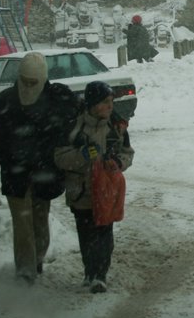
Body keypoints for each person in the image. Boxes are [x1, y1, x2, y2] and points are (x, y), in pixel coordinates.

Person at [0, 52, 78, 283]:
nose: (27, 86)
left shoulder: (54, 99)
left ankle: (37, 259)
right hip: (15, 172)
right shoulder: (6, 99)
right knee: (22, 223)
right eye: (24, 80)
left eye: (33, 82)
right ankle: (25, 270)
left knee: (40, 222)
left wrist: (67, 98)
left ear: (43, 79)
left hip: (45, 172)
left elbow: (74, 119)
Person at [54, 81, 134, 294]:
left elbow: (128, 153)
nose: (110, 106)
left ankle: (100, 274)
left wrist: (119, 163)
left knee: (105, 234)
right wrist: (81, 156)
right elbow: (59, 157)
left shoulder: (116, 127)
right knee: (86, 233)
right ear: (93, 104)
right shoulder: (74, 127)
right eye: (105, 102)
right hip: (81, 191)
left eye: (111, 102)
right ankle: (90, 271)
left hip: (106, 192)